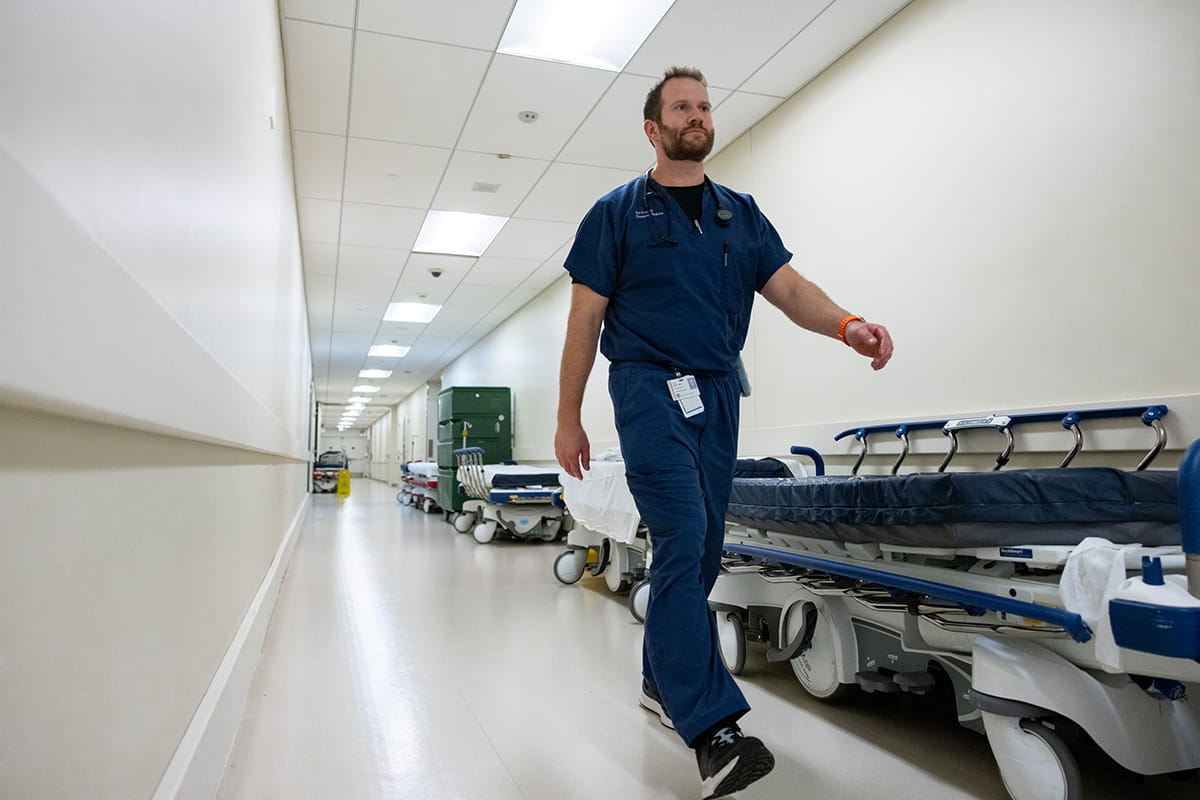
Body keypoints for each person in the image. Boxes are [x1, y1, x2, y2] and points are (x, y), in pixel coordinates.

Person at [554, 65, 893, 799]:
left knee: (704, 545)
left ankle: (658, 680)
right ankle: (713, 731)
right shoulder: (615, 213)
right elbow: (584, 319)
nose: (698, 116)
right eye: (682, 107)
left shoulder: (740, 214)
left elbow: (790, 290)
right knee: (680, 535)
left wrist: (847, 325)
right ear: (654, 128)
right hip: (645, 386)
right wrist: (566, 416)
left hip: (716, 392)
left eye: (705, 105)